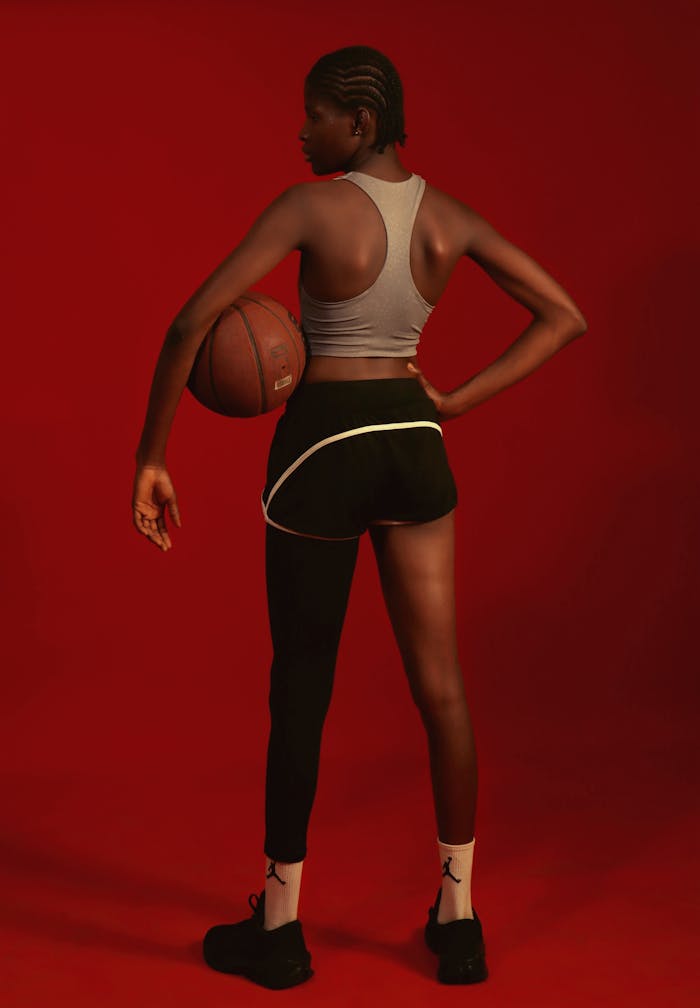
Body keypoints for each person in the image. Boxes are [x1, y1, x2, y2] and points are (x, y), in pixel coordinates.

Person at [131, 45, 587, 989]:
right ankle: (459, 919)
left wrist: (152, 455)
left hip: (322, 448)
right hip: (414, 444)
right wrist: (452, 400)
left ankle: (280, 927)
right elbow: (563, 315)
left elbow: (188, 323)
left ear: (360, 123)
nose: (302, 132)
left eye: (315, 116)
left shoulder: (310, 206)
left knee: (301, 686)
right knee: (443, 689)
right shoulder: (449, 218)